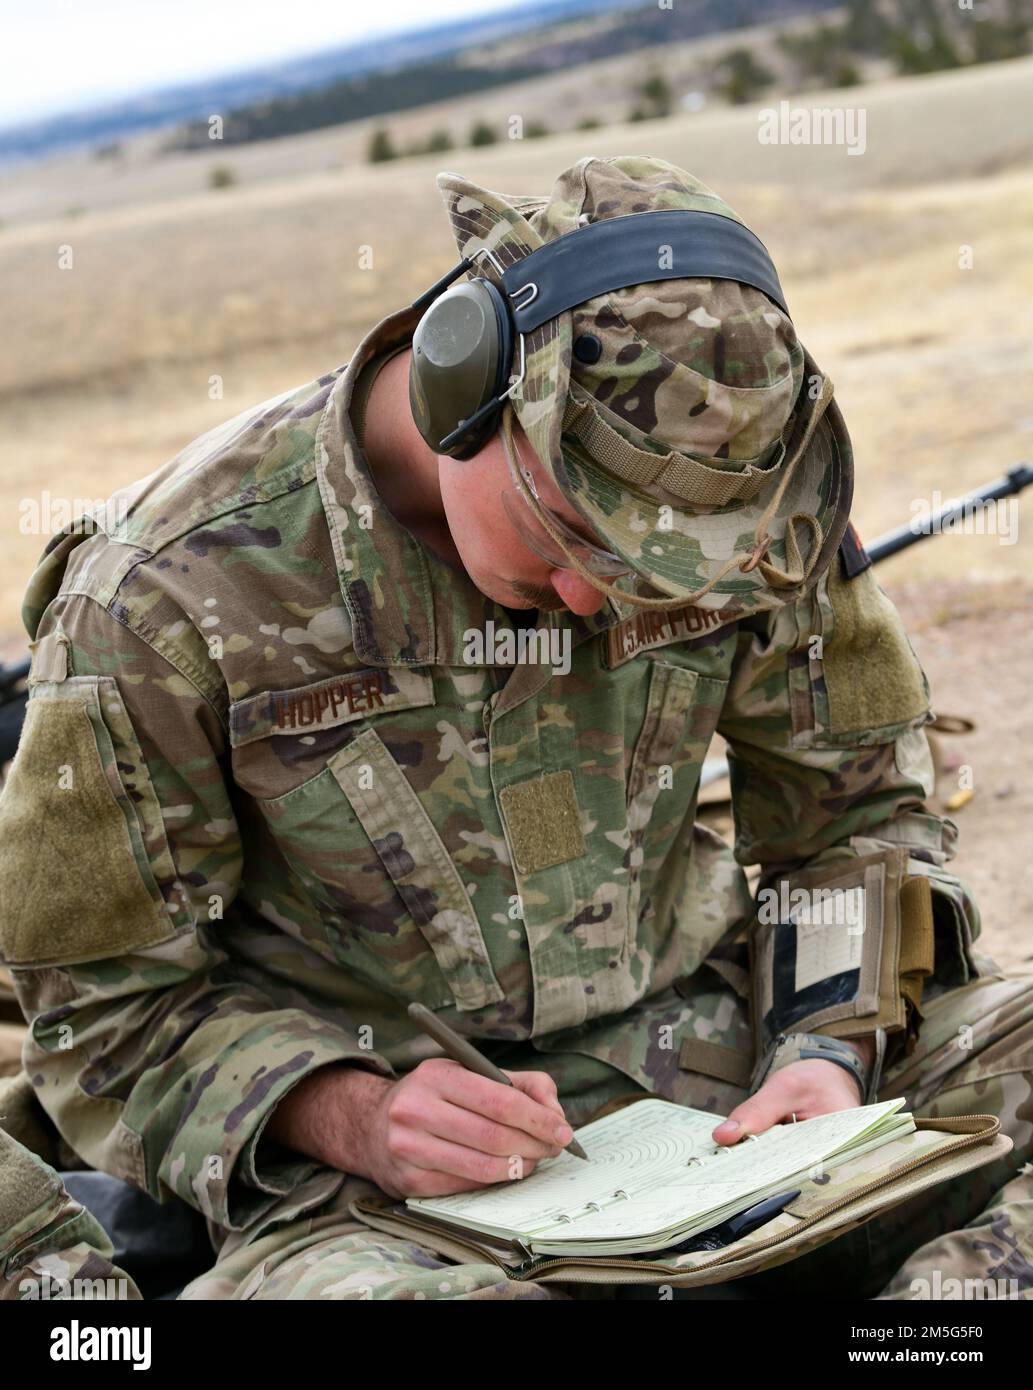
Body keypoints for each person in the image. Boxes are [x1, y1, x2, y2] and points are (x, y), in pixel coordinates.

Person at [0, 155, 1030, 1301]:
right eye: (567, 535)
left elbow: (856, 822)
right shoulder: (163, 598)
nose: (603, 601)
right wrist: (352, 1115)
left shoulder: (739, 514)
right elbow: (102, 1015)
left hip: (731, 1085)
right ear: (462, 389)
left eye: (654, 577)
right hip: (390, 1207)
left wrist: (825, 1045)